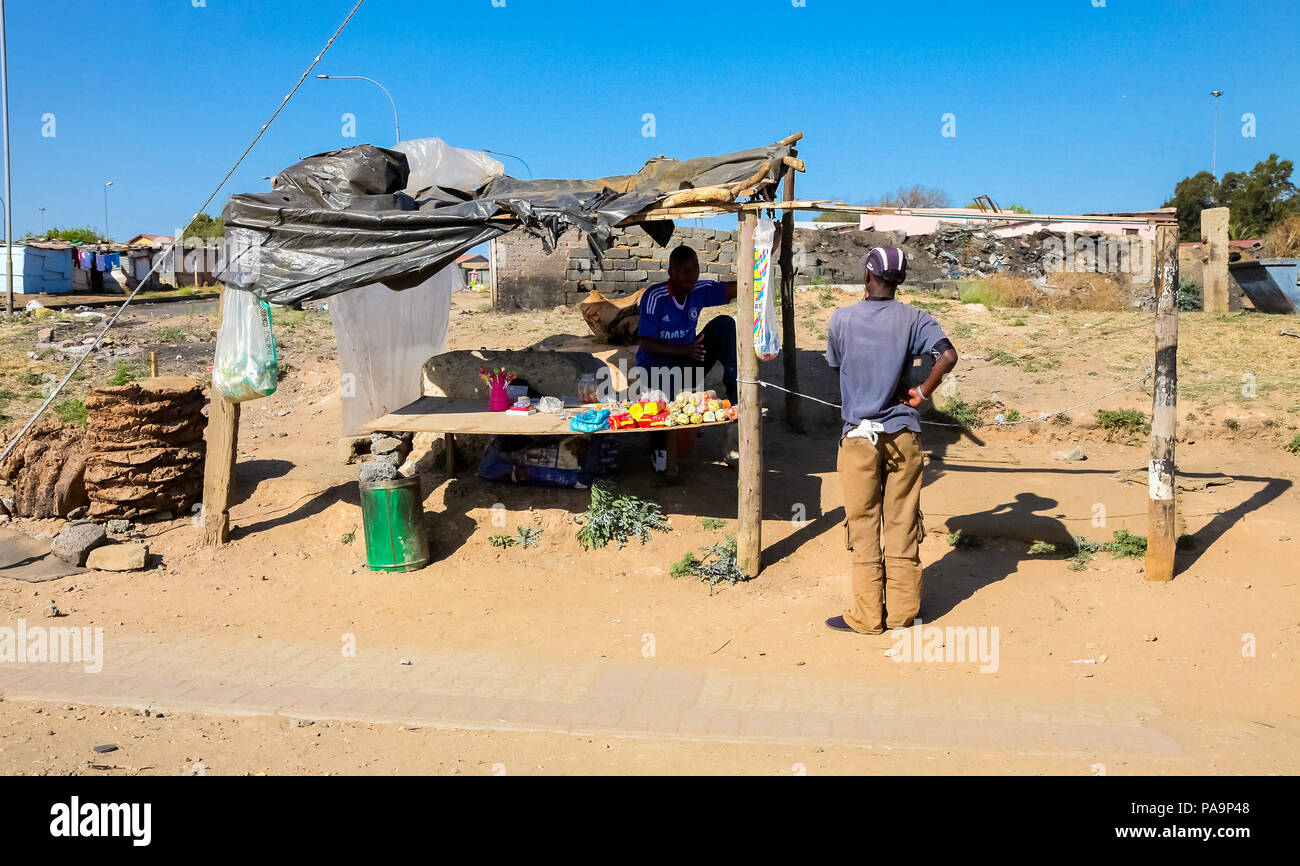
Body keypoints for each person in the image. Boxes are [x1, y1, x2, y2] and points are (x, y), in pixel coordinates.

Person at [824, 245, 959, 635]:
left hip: (859, 438)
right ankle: (902, 613)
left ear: (867, 276)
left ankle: (867, 617)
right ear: (900, 281)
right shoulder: (915, 318)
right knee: (901, 521)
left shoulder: (842, 319)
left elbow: (836, 363)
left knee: (863, 524)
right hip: (903, 434)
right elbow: (947, 356)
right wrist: (923, 391)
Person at [635, 245, 738, 472]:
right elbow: (646, 344)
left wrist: (765, 255)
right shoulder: (655, 297)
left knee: (725, 325)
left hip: (688, 358)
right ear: (671, 272)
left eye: (694, 269)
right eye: (683, 270)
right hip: (656, 366)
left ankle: (737, 400)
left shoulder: (698, 290)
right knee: (668, 403)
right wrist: (683, 351)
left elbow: (739, 287)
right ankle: (660, 449)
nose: (690, 275)